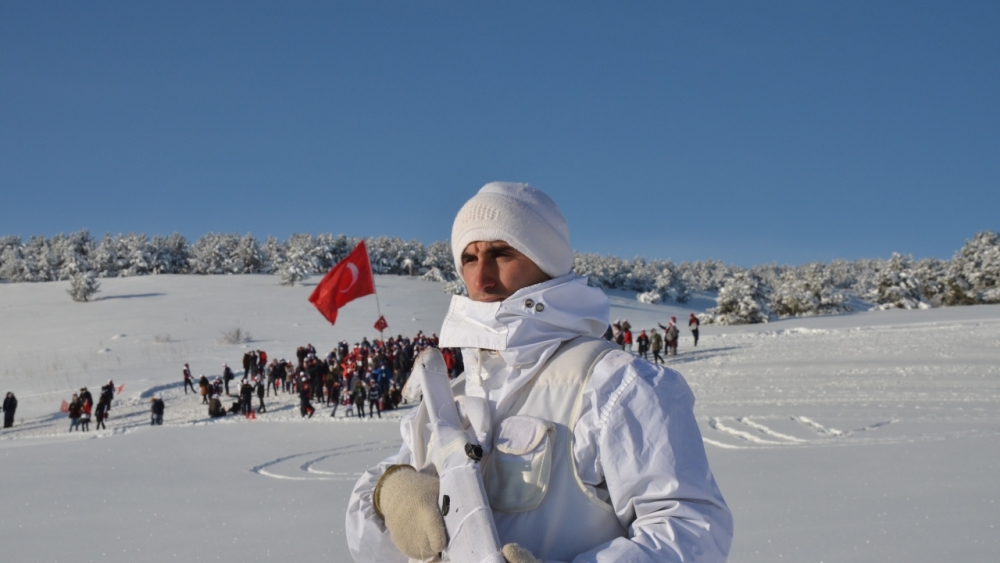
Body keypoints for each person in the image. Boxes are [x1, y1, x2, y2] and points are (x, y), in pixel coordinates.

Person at [346, 182, 731, 563]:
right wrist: (389, 493)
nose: (481, 278)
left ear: (545, 261)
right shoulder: (453, 396)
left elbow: (691, 531)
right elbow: (366, 544)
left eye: (501, 253)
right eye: (469, 258)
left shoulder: (613, 383)